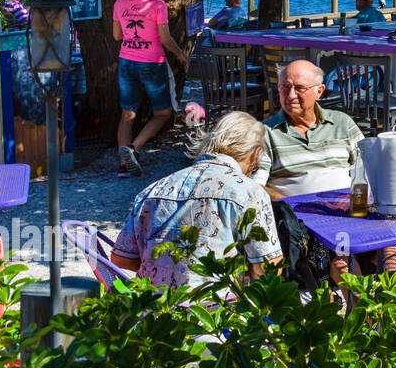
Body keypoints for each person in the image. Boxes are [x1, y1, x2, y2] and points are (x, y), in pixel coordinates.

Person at [253, 60, 396, 277]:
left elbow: (371, 167)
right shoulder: (267, 133)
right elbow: (255, 187)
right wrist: (298, 205)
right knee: (344, 262)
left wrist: (368, 198)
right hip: (307, 226)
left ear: (319, 91)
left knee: (394, 247)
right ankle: (362, 310)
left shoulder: (342, 123)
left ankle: (394, 307)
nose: (291, 95)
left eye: (299, 88)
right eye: (285, 88)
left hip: (354, 213)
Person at [111, 111, 282, 286]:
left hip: (155, 307)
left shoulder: (153, 189)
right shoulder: (249, 192)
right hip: (218, 308)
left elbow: (120, 259)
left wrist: (169, 270)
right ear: (255, 154)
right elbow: (268, 270)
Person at [113, 0, 189, 178]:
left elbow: (117, 36)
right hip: (151, 63)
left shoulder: (120, 3)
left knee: (127, 113)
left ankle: (122, 165)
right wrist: (180, 54)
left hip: (126, 61)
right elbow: (165, 38)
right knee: (163, 112)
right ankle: (134, 148)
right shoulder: (157, 5)